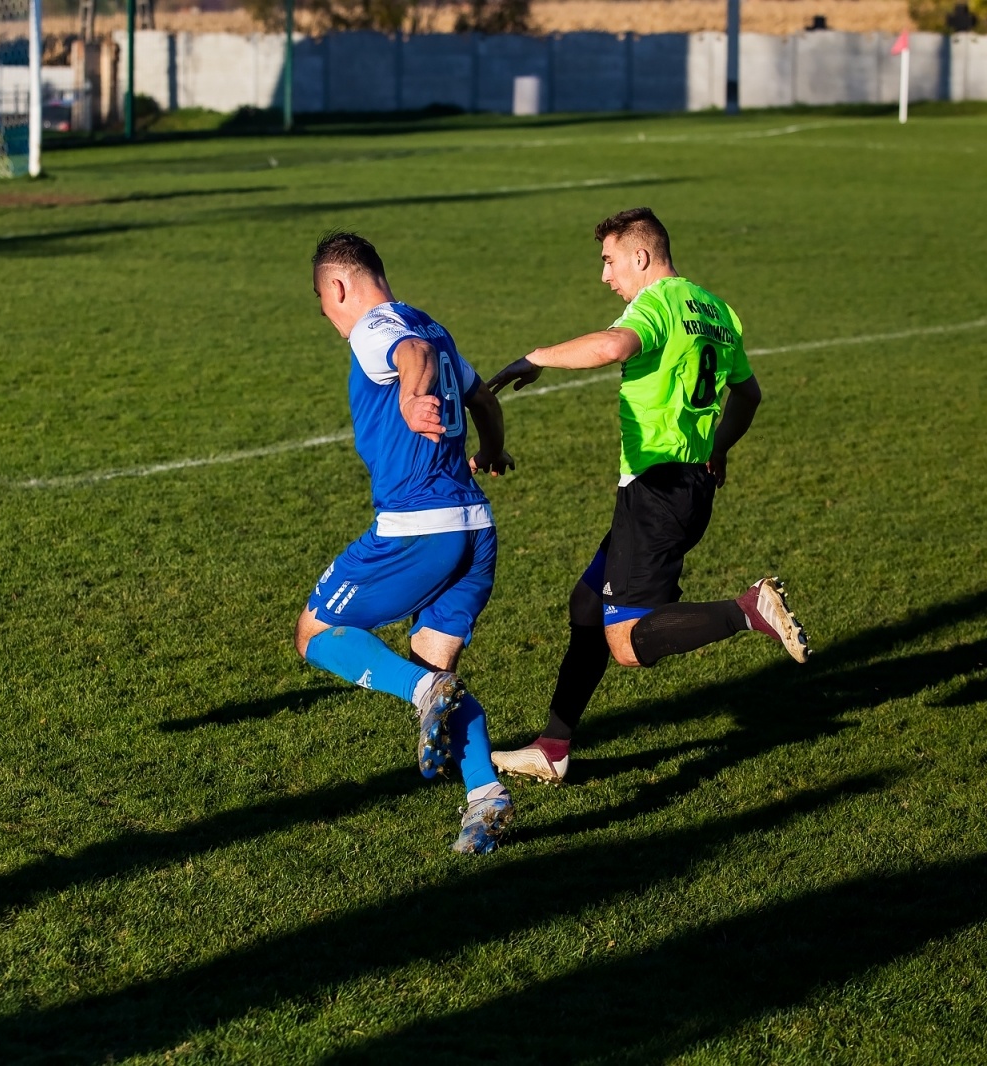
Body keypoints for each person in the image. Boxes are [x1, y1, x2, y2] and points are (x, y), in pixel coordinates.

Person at [485, 207, 809, 784]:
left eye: (609, 261)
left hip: (655, 491)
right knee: (587, 605)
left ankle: (746, 610)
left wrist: (535, 358)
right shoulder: (715, 309)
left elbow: (613, 346)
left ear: (640, 256)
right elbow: (749, 395)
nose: (605, 276)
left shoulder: (657, 304)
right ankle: (553, 747)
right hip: (686, 486)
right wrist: (718, 448)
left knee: (628, 643)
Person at [295, 232, 517, 854]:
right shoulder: (433, 327)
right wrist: (491, 450)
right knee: (433, 667)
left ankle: (423, 695)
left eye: (325, 306)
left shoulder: (376, 329)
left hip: (419, 529)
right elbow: (482, 399)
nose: (331, 321)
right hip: (475, 529)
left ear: (339, 286)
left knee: (314, 633)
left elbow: (410, 354)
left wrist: (412, 397)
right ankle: (486, 796)